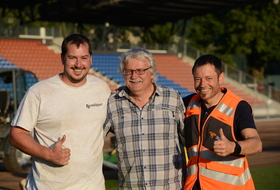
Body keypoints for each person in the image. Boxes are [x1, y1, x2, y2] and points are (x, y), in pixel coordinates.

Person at [9, 34, 111, 190]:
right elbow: (16, 136)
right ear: (62, 58)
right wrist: (49, 154)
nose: (78, 64)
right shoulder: (39, 92)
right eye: (72, 58)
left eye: (84, 57)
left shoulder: (102, 88)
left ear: (91, 58)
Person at [104, 48, 186, 189]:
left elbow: (191, 138)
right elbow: (91, 138)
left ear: (152, 73)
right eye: (128, 71)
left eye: (141, 70)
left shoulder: (173, 98)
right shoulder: (113, 103)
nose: (134, 76)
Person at [183, 54, 262, 190]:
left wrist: (233, 147)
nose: (203, 85)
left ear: (221, 78)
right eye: (197, 79)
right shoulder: (188, 103)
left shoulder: (238, 107)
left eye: (209, 79)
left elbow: (256, 144)